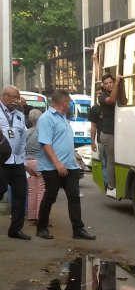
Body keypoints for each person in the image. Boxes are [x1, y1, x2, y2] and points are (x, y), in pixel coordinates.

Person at [35, 89, 96, 240]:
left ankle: (78, 229)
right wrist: (57, 163)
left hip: (70, 166)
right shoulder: (46, 119)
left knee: (74, 197)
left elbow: (63, 140)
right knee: (50, 196)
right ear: (63, 103)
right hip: (52, 167)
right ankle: (41, 227)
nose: (69, 105)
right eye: (68, 102)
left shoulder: (63, 118)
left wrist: (73, 156)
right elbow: (45, 143)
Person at [0, 85, 31, 240]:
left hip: (17, 162)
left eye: (18, 98)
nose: (17, 101)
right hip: (1, 162)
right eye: (14, 97)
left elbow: (23, 139)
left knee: (20, 195)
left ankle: (15, 229)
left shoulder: (19, 115)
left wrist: (23, 160)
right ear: (4, 96)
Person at [99, 74, 123, 198]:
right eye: (106, 83)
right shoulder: (102, 96)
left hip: (116, 132)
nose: (108, 84)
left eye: (110, 82)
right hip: (107, 133)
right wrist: (117, 84)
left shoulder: (116, 91)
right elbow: (112, 100)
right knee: (110, 160)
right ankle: (110, 187)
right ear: (103, 85)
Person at [25, 108, 44, 224]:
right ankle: (41, 216)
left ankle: (31, 216)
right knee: (42, 191)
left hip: (28, 162)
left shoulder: (27, 132)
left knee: (32, 191)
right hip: (40, 162)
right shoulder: (42, 132)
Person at [88, 86, 107, 190]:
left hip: (113, 140)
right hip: (100, 141)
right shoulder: (95, 109)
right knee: (104, 163)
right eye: (97, 94)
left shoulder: (111, 106)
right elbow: (93, 126)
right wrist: (92, 142)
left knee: (109, 162)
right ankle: (106, 183)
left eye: (100, 93)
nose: (98, 96)